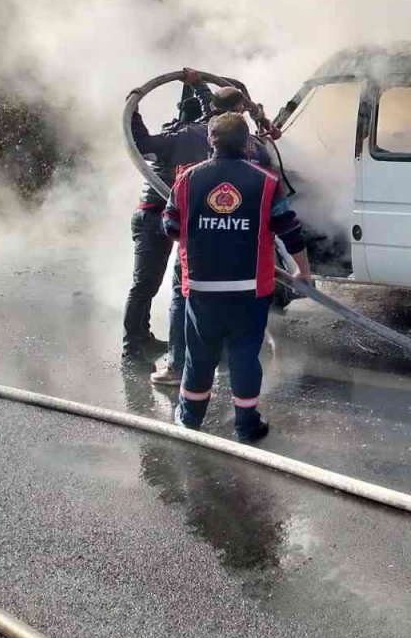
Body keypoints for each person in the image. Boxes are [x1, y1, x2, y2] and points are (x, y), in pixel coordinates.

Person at [162, 113, 312, 442]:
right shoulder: (266, 181)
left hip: (202, 287)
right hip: (250, 288)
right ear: (247, 143)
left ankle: (189, 421)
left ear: (210, 142)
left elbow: (171, 227)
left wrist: (204, 230)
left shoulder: (186, 180)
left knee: (199, 355)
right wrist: (303, 270)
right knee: (245, 354)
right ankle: (246, 425)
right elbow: (290, 230)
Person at [128, 72, 274, 385]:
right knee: (160, 287)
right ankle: (139, 347)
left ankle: (185, 362)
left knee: (188, 294)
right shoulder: (232, 142)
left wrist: (137, 104)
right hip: (185, 225)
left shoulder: (200, 140)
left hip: (190, 228)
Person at [121, 75, 214, 362]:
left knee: (153, 283)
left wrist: (134, 108)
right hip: (152, 219)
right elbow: (140, 141)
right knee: (145, 283)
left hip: (169, 218)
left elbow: (142, 140)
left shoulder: (184, 136)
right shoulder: (186, 137)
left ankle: (143, 337)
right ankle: (132, 345)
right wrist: (132, 109)